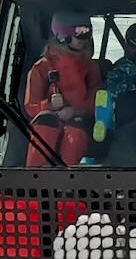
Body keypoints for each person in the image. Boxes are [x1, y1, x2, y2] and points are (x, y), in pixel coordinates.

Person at [23, 11, 102, 166]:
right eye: (80, 32)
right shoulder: (42, 67)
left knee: (76, 133)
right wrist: (49, 106)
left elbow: (97, 100)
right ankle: (35, 175)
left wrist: (75, 111)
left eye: (87, 32)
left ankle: (68, 178)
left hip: (78, 122)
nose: (84, 38)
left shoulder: (91, 67)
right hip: (50, 121)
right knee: (45, 124)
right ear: (63, 35)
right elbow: (31, 105)